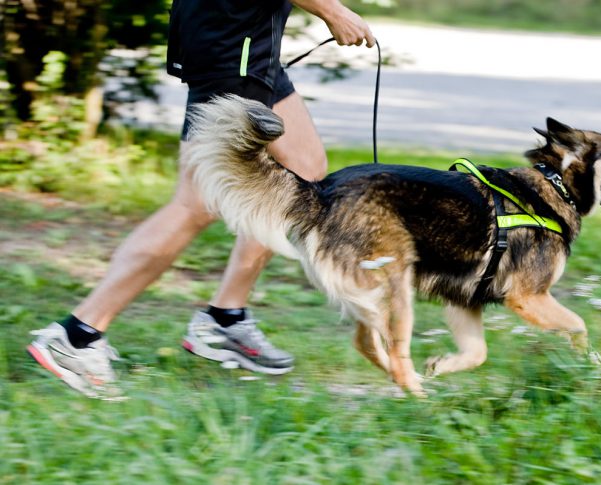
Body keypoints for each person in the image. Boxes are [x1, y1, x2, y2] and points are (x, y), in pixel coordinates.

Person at [26, 0, 376, 399]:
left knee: (304, 170)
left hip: (246, 44)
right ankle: (78, 335)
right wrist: (332, 11)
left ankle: (225, 317)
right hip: (232, 42)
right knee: (196, 203)